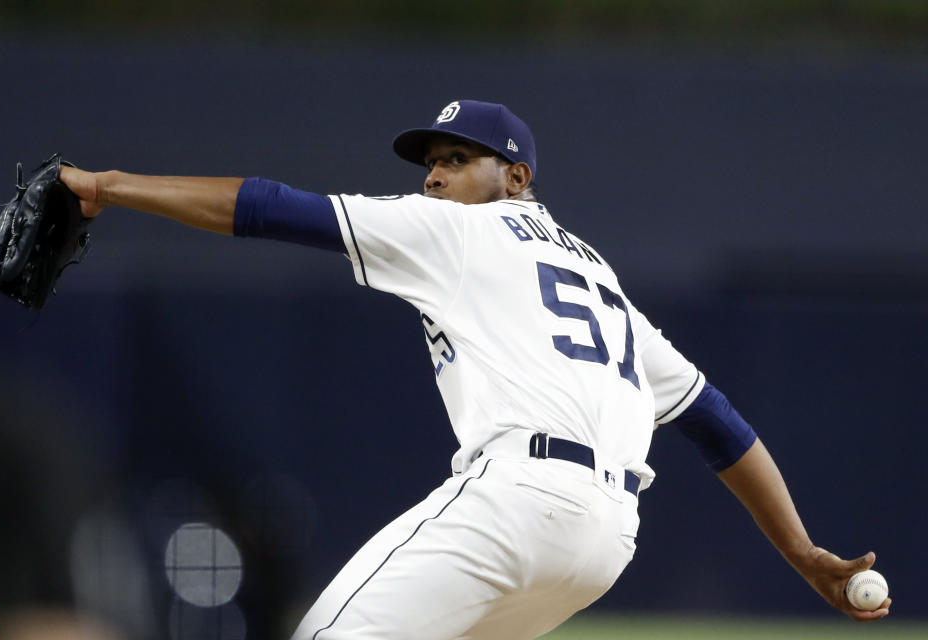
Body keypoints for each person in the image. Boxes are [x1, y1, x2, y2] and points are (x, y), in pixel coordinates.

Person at [59, 100, 891, 639]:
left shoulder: (459, 229)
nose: (433, 175)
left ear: (515, 178)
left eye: (458, 158)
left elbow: (269, 207)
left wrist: (108, 184)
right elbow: (719, 425)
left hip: (519, 502)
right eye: (433, 160)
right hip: (604, 541)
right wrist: (803, 552)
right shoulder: (604, 282)